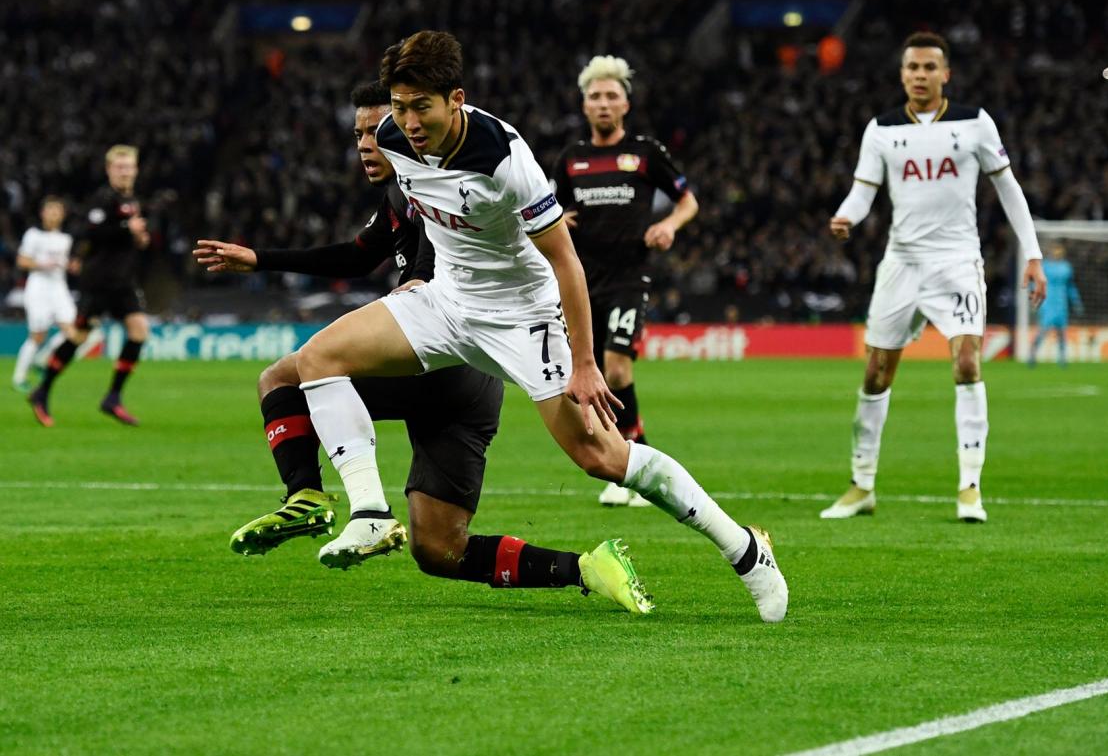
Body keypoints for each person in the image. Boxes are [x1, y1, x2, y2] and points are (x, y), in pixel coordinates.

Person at [292, 30, 786, 622]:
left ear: (456, 98)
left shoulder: (505, 158)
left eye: (421, 107)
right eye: (398, 107)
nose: (408, 122)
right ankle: (370, 514)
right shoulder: (395, 139)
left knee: (603, 457)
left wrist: (583, 363)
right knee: (316, 359)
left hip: (522, 315)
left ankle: (746, 550)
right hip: (446, 304)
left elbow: (565, 262)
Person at [193, 82, 648, 613]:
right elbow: (358, 256)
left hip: (443, 359)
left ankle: (315, 499)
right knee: (439, 548)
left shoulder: (448, 188)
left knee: (285, 378)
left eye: (374, 130)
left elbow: (467, 267)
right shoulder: (399, 198)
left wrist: (415, 294)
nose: (367, 143)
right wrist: (262, 259)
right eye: (358, 133)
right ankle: (589, 568)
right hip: (472, 389)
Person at [822, 31, 1047, 524]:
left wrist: (1032, 254)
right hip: (901, 263)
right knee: (876, 373)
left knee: (967, 362)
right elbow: (864, 192)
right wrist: (846, 217)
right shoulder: (881, 129)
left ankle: (970, 487)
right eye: (912, 68)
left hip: (957, 261)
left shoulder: (974, 123)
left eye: (929, 67)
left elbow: (1008, 189)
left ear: (946, 74)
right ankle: (862, 485)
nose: (920, 75)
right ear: (901, 74)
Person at [550, 55, 699, 508]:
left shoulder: (645, 154)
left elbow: (688, 200)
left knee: (617, 367)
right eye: (595, 96)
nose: (603, 103)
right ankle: (630, 464)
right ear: (584, 105)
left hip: (629, 278)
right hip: (581, 284)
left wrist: (670, 225)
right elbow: (546, 215)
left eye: (611, 95)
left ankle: (636, 463)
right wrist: (559, 220)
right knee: (591, 379)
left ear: (626, 104)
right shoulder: (571, 160)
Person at [29, 145, 151, 427]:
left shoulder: (131, 199)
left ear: (136, 169)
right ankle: (42, 390)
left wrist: (138, 239)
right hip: (99, 281)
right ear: (109, 170)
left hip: (123, 281)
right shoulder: (103, 198)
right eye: (119, 167)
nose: (124, 171)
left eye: (128, 166)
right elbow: (89, 232)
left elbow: (123, 238)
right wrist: (125, 230)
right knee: (79, 337)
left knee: (139, 330)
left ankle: (113, 397)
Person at [12, 197, 77, 392]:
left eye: (57, 210)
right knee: (38, 335)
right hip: (38, 288)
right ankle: (19, 378)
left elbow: (65, 263)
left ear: (63, 214)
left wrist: (72, 266)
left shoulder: (66, 239)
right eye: (50, 210)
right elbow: (22, 261)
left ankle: (41, 359)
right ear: (43, 213)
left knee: (75, 332)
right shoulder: (33, 235)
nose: (53, 214)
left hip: (59, 288)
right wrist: (41, 264)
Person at [1029, 243, 1082, 367]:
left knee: (1061, 332)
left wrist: (1076, 301)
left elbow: (1070, 286)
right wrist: (1033, 295)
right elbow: (1037, 282)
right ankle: (1032, 354)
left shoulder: (1066, 267)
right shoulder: (1045, 266)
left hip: (1061, 303)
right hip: (1048, 301)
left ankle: (1062, 358)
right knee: (1043, 330)